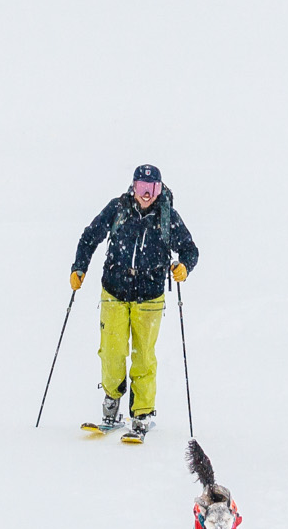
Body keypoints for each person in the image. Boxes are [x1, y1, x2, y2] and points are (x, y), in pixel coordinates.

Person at [70, 162, 196, 441]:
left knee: (144, 356)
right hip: (114, 290)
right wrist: (79, 267)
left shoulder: (167, 217)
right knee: (111, 351)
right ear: (133, 186)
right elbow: (90, 237)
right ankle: (111, 403)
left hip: (149, 297)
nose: (146, 193)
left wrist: (184, 266)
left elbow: (190, 249)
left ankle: (142, 413)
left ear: (159, 189)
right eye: (141, 187)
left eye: (151, 188)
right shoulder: (118, 208)